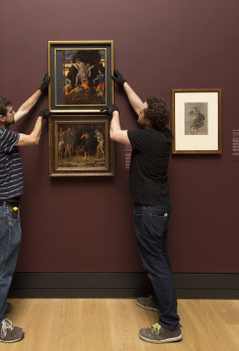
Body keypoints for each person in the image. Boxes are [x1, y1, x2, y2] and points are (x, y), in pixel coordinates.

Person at [107, 69, 182, 344]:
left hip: (149, 211)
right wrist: (124, 83)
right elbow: (140, 106)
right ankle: (159, 301)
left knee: (156, 264)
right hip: (159, 207)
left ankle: (170, 325)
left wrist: (114, 111)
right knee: (160, 259)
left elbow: (115, 134)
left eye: (143, 112)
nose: (139, 110)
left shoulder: (147, 139)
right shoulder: (163, 134)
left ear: (148, 121)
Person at [0, 74, 50, 343]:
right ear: (1, 118)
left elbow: (21, 111)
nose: (13, 113)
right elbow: (32, 140)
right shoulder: (1, 136)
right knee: (2, 268)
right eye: (9, 112)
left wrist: (40, 91)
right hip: (6, 212)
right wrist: (43, 118)